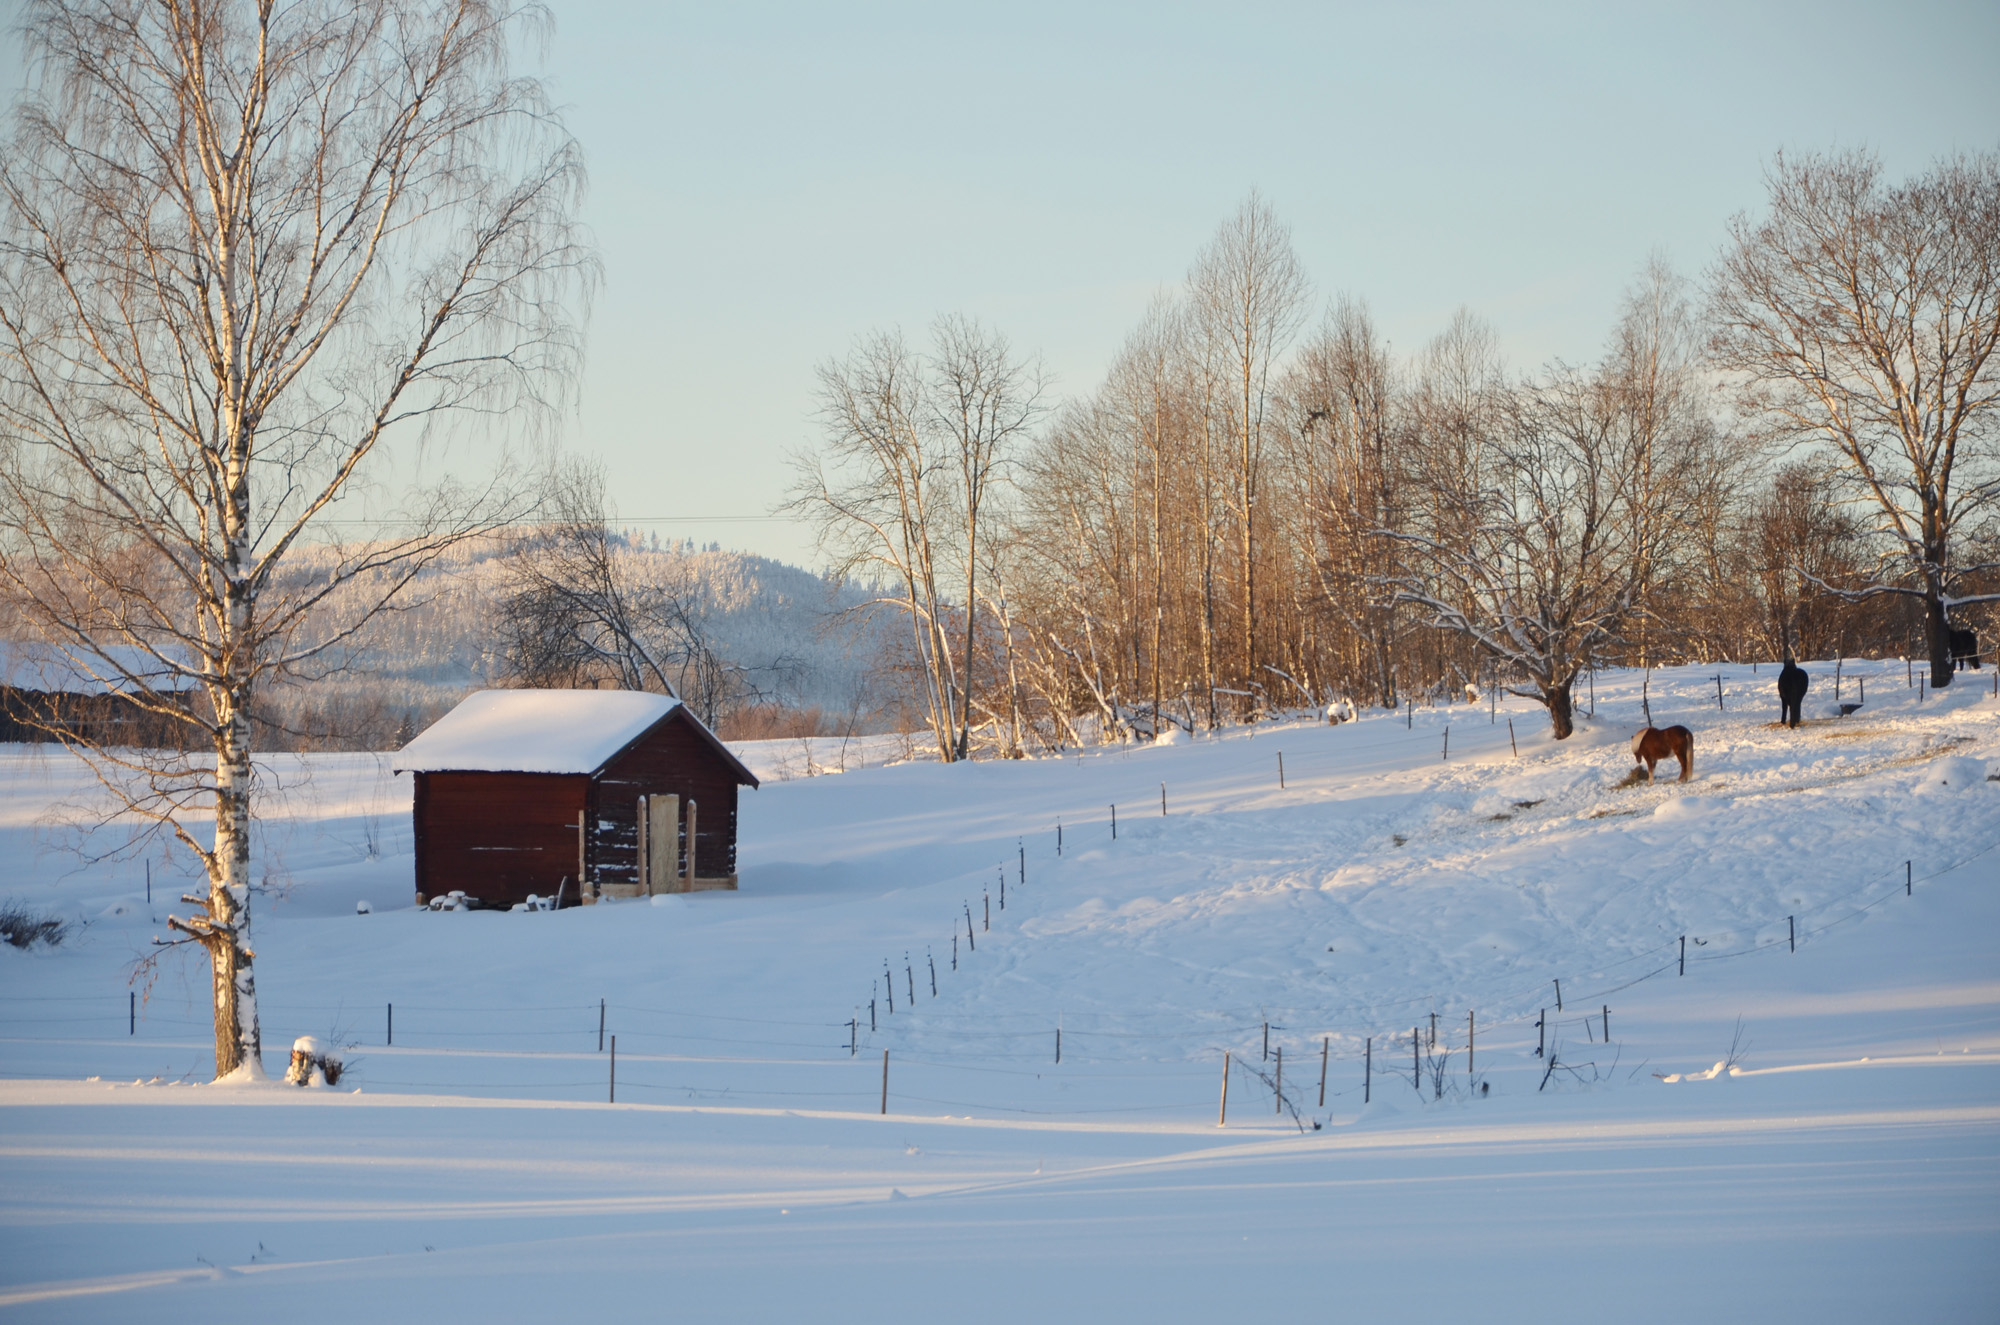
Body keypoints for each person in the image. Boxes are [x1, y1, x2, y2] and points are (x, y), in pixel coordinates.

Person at [1777, 656, 1809, 728]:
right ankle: (1795, 720)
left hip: (1785, 687)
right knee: (1796, 702)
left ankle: (1785, 720)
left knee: (1790, 701)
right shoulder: (1801, 674)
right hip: (1799, 685)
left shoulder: (1783, 675)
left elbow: (1783, 697)